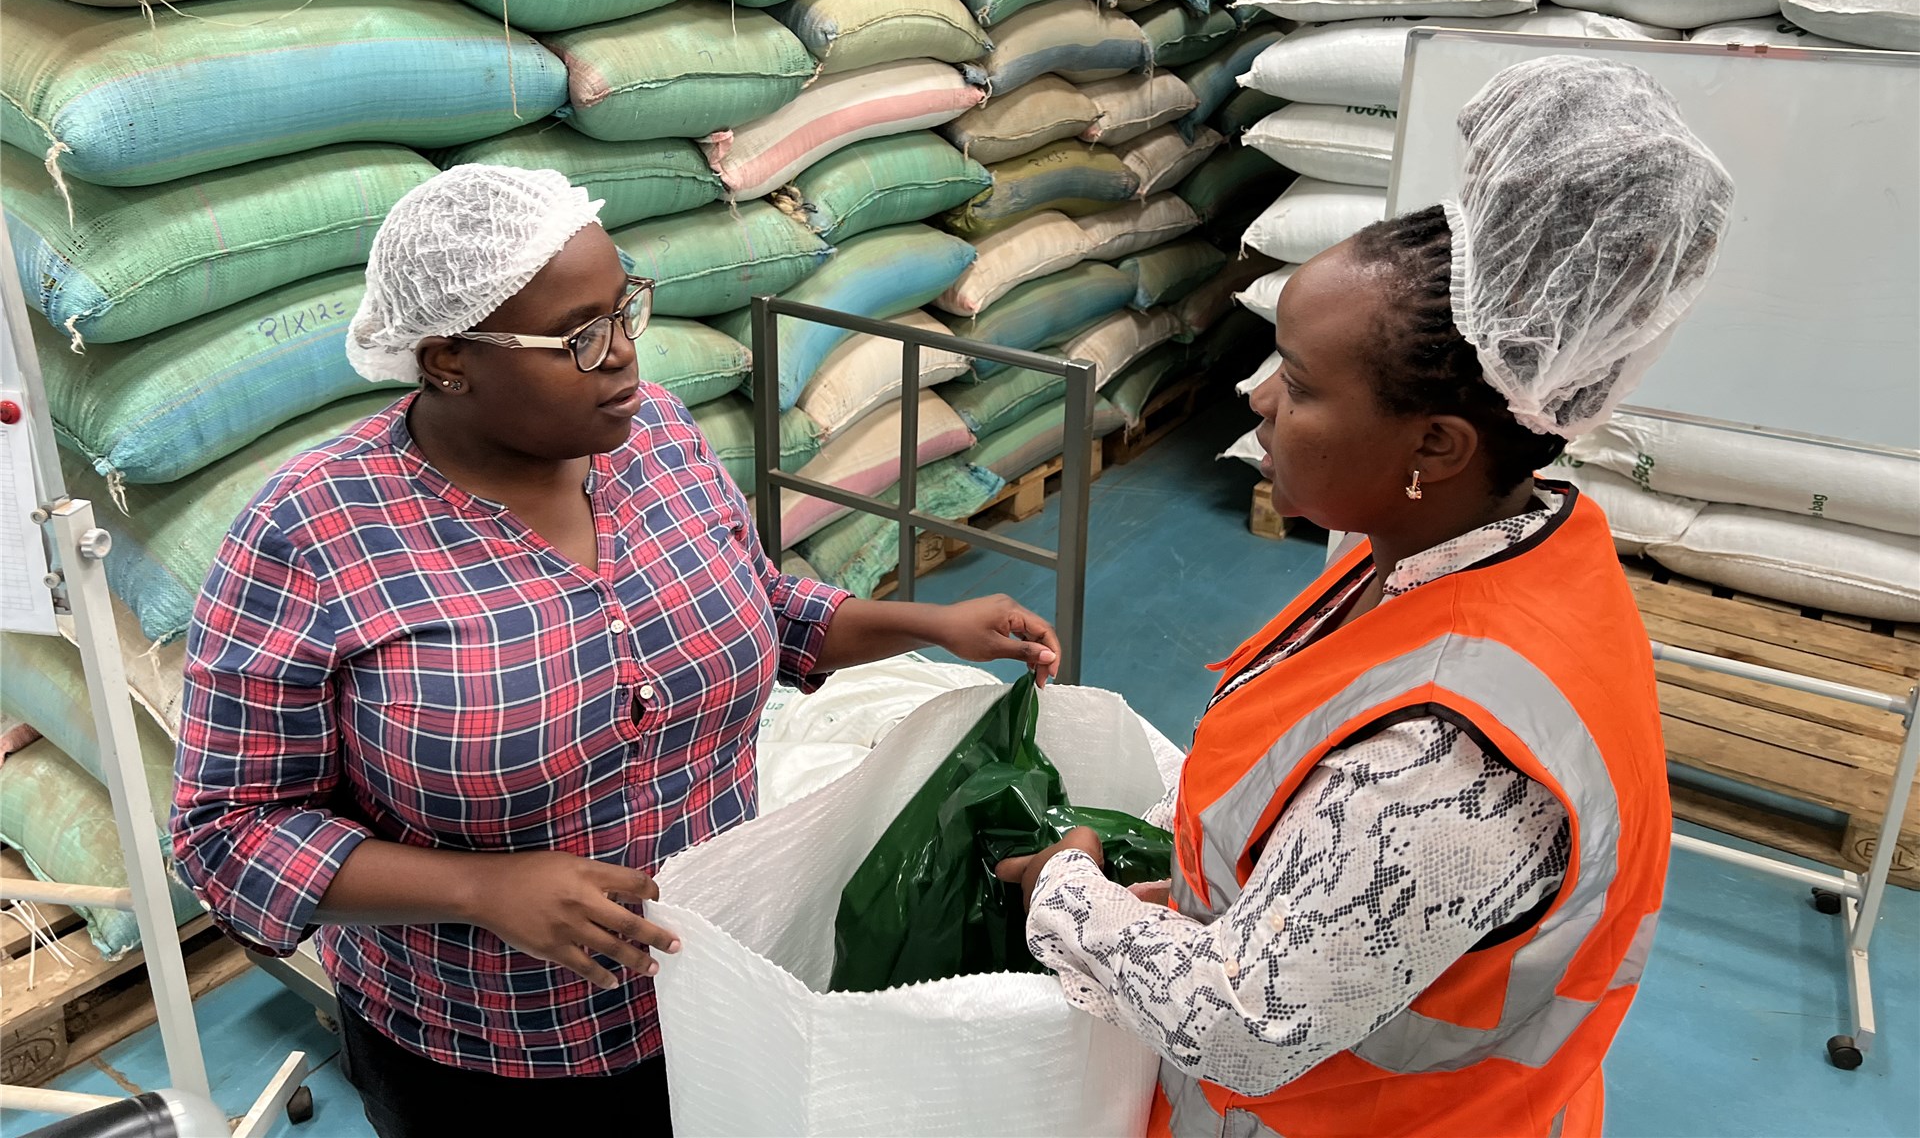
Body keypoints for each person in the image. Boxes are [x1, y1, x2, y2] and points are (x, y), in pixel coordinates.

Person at [170, 165, 1064, 1138]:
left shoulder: (661, 443)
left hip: (715, 989)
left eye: (625, 312)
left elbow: (760, 606)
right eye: (576, 338)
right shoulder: (312, 536)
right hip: (484, 1060)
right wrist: (482, 888)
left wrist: (924, 627)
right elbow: (229, 829)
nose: (623, 359)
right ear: (446, 360)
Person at [996, 56, 1736, 1138]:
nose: (1254, 395)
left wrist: (1067, 893)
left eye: (1297, 382)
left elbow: (1248, 1020)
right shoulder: (1465, 542)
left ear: (1433, 445)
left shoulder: (1451, 764)